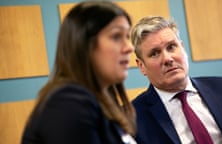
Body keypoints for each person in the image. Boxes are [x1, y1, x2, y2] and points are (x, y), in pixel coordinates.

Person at [21, 1, 137, 144]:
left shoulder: (100, 100)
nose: (130, 47)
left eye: (127, 37)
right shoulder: (69, 101)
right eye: (116, 36)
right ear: (84, 44)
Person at [130, 15, 222, 144]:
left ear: (182, 47)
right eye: (154, 53)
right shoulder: (131, 118)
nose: (167, 59)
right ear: (141, 66)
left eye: (171, 47)